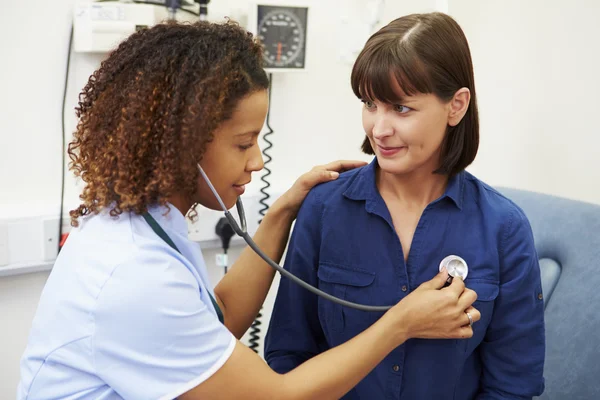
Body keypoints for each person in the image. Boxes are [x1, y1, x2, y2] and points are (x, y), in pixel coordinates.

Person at [17, 19, 481, 400]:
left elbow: (213, 317)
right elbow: (276, 395)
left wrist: (280, 213)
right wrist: (403, 322)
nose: (258, 160)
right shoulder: (131, 273)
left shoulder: (147, 222)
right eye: (244, 143)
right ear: (182, 145)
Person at [265, 11, 546, 400]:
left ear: (456, 106)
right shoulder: (323, 209)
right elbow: (287, 357)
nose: (378, 129)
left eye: (401, 108)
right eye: (369, 103)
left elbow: (513, 386)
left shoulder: (504, 229)